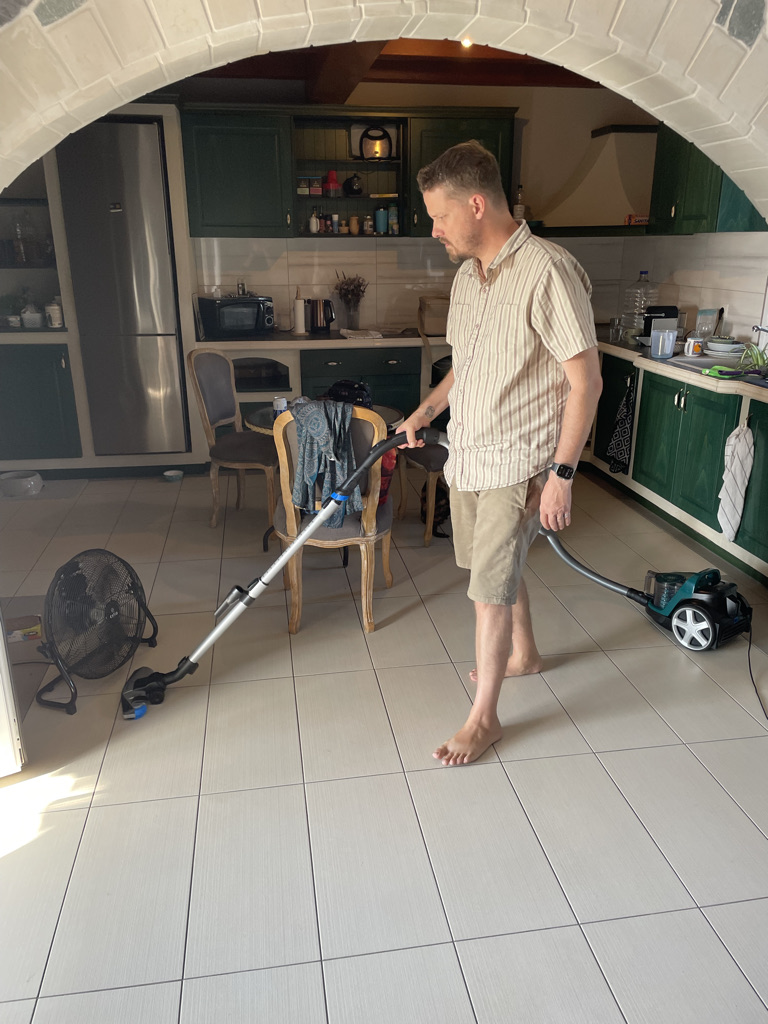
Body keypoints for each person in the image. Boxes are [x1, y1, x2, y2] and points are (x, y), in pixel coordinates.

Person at [399, 140, 602, 767]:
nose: (433, 230)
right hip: (470, 455)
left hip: (520, 462)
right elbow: (466, 367)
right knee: (494, 571)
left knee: (488, 590)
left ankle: (483, 719)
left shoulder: (549, 271)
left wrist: (563, 474)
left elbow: (585, 380)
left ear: (477, 205)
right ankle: (526, 655)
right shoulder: (467, 278)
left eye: (439, 215)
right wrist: (426, 412)